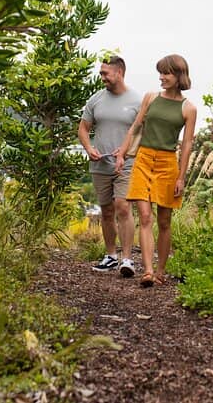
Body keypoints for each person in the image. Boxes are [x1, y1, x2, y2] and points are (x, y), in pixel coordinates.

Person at [116, 54, 197, 288]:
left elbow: (188, 144)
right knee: (145, 216)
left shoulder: (188, 109)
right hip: (143, 158)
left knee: (164, 221)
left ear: (179, 75)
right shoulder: (150, 98)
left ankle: (160, 271)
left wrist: (181, 177)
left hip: (167, 163)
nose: (161, 77)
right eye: (160, 73)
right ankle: (148, 272)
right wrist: (122, 154)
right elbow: (135, 126)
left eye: (166, 73)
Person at [78, 55, 142, 276]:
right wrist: (88, 148)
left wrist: (126, 151)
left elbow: (142, 133)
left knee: (123, 207)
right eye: (101, 72)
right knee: (106, 211)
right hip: (100, 163)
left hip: (127, 163)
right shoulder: (96, 99)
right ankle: (110, 256)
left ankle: (127, 260)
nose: (102, 76)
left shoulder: (137, 100)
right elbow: (83, 129)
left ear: (119, 73)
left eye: (106, 73)